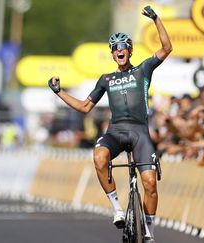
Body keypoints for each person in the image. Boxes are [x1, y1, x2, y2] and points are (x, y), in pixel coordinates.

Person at [48, 6, 172, 242]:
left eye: (123, 46)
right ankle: (116, 208)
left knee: (150, 184)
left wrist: (156, 19)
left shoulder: (143, 70)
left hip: (139, 132)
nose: (119, 51)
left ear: (130, 50)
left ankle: (149, 232)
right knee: (98, 157)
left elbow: (167, 48)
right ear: (112, 54)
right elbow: (85, 107)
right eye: (115, 48)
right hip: (115, 131)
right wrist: (59, 92)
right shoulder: (106, 79)